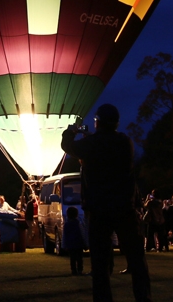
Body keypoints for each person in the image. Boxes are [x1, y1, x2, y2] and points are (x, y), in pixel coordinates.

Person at [61, 104, 151, 302]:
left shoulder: (91, 144)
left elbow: (67, 146)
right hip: (124, 208)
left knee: (100, 264)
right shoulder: (126, 142)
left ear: (98, 122)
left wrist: (70, 131)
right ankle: (143, 297)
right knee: (136, 259)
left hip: (99, 209)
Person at [62, 206, 87, 275]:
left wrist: (64, 245)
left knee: (72, 258)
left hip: (71, 244)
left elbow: (65, 236)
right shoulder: (79, 223)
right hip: (79, 243)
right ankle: (80, 269)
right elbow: (82, 233)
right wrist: (85, 243)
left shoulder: (66, 225)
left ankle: (73, 270)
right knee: (79, 258)